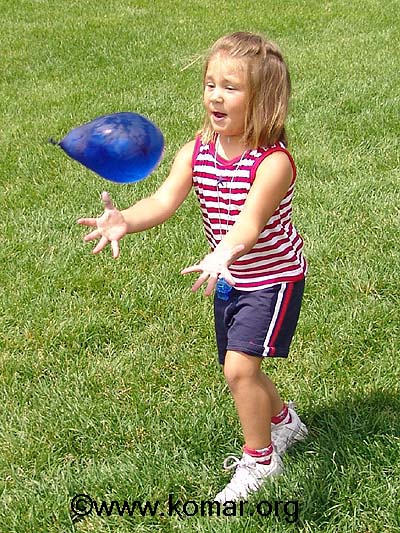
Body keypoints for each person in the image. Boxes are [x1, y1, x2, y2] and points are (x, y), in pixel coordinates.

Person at [78, 31, 308, 503]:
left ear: (263, 100)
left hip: (272, 278)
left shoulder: (273, 163)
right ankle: (284, 421)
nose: (216, 96)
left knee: (239, 370)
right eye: (210, 84)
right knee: (238, 366)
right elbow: (164, 199)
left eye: (231, 87)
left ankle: (260, 461)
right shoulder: (198, 149)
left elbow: (250, 222)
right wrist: (125, 220)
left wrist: (224, 252)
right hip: (228, 277)